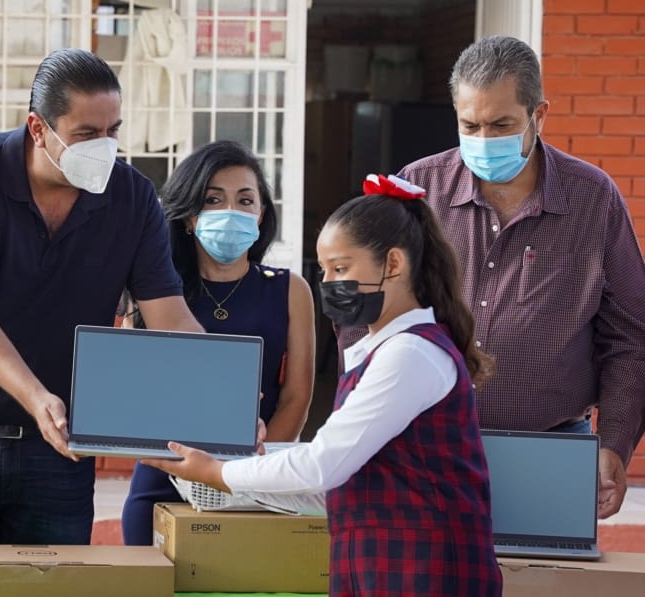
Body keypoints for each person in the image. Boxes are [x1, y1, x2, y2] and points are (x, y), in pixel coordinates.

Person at [0, 48, 202, 547]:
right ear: (38, 129)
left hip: (58, 455)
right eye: (86, 134)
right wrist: (38, 398)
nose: (104, 147)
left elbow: (169, 316)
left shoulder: (132, 197)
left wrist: (224, 400)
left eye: (113, 131)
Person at [147, 174, 502, 597]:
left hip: (423, 572)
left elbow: (324, 463)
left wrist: (220, 472)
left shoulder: (409, 355)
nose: (330, 283)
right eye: (325, 271)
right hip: (383, 565)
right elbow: (338, 477)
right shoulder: (385, 350)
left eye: (341, 268)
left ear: (393, 264)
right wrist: (253, 460)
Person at [398, 35, 645, 519]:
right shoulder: (418, 190)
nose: (484, 140)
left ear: (539, 114)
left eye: (502, 125)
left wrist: (613, 444)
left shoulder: (592, 199)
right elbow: (370, 310)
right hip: (429, 448)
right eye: (470, 125)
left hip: (552, 453)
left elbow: (631, 334)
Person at [120, 140, 315, 545]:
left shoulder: (291, 290)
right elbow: (126, 396)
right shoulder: (153, 292)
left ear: (261, 215)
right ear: (190, 217)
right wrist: (169, 459)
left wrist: (250, 469)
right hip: (161, 479)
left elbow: (296, 396)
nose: (231, 211)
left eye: (245, 200)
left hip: (253, 485)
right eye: (213, 199)